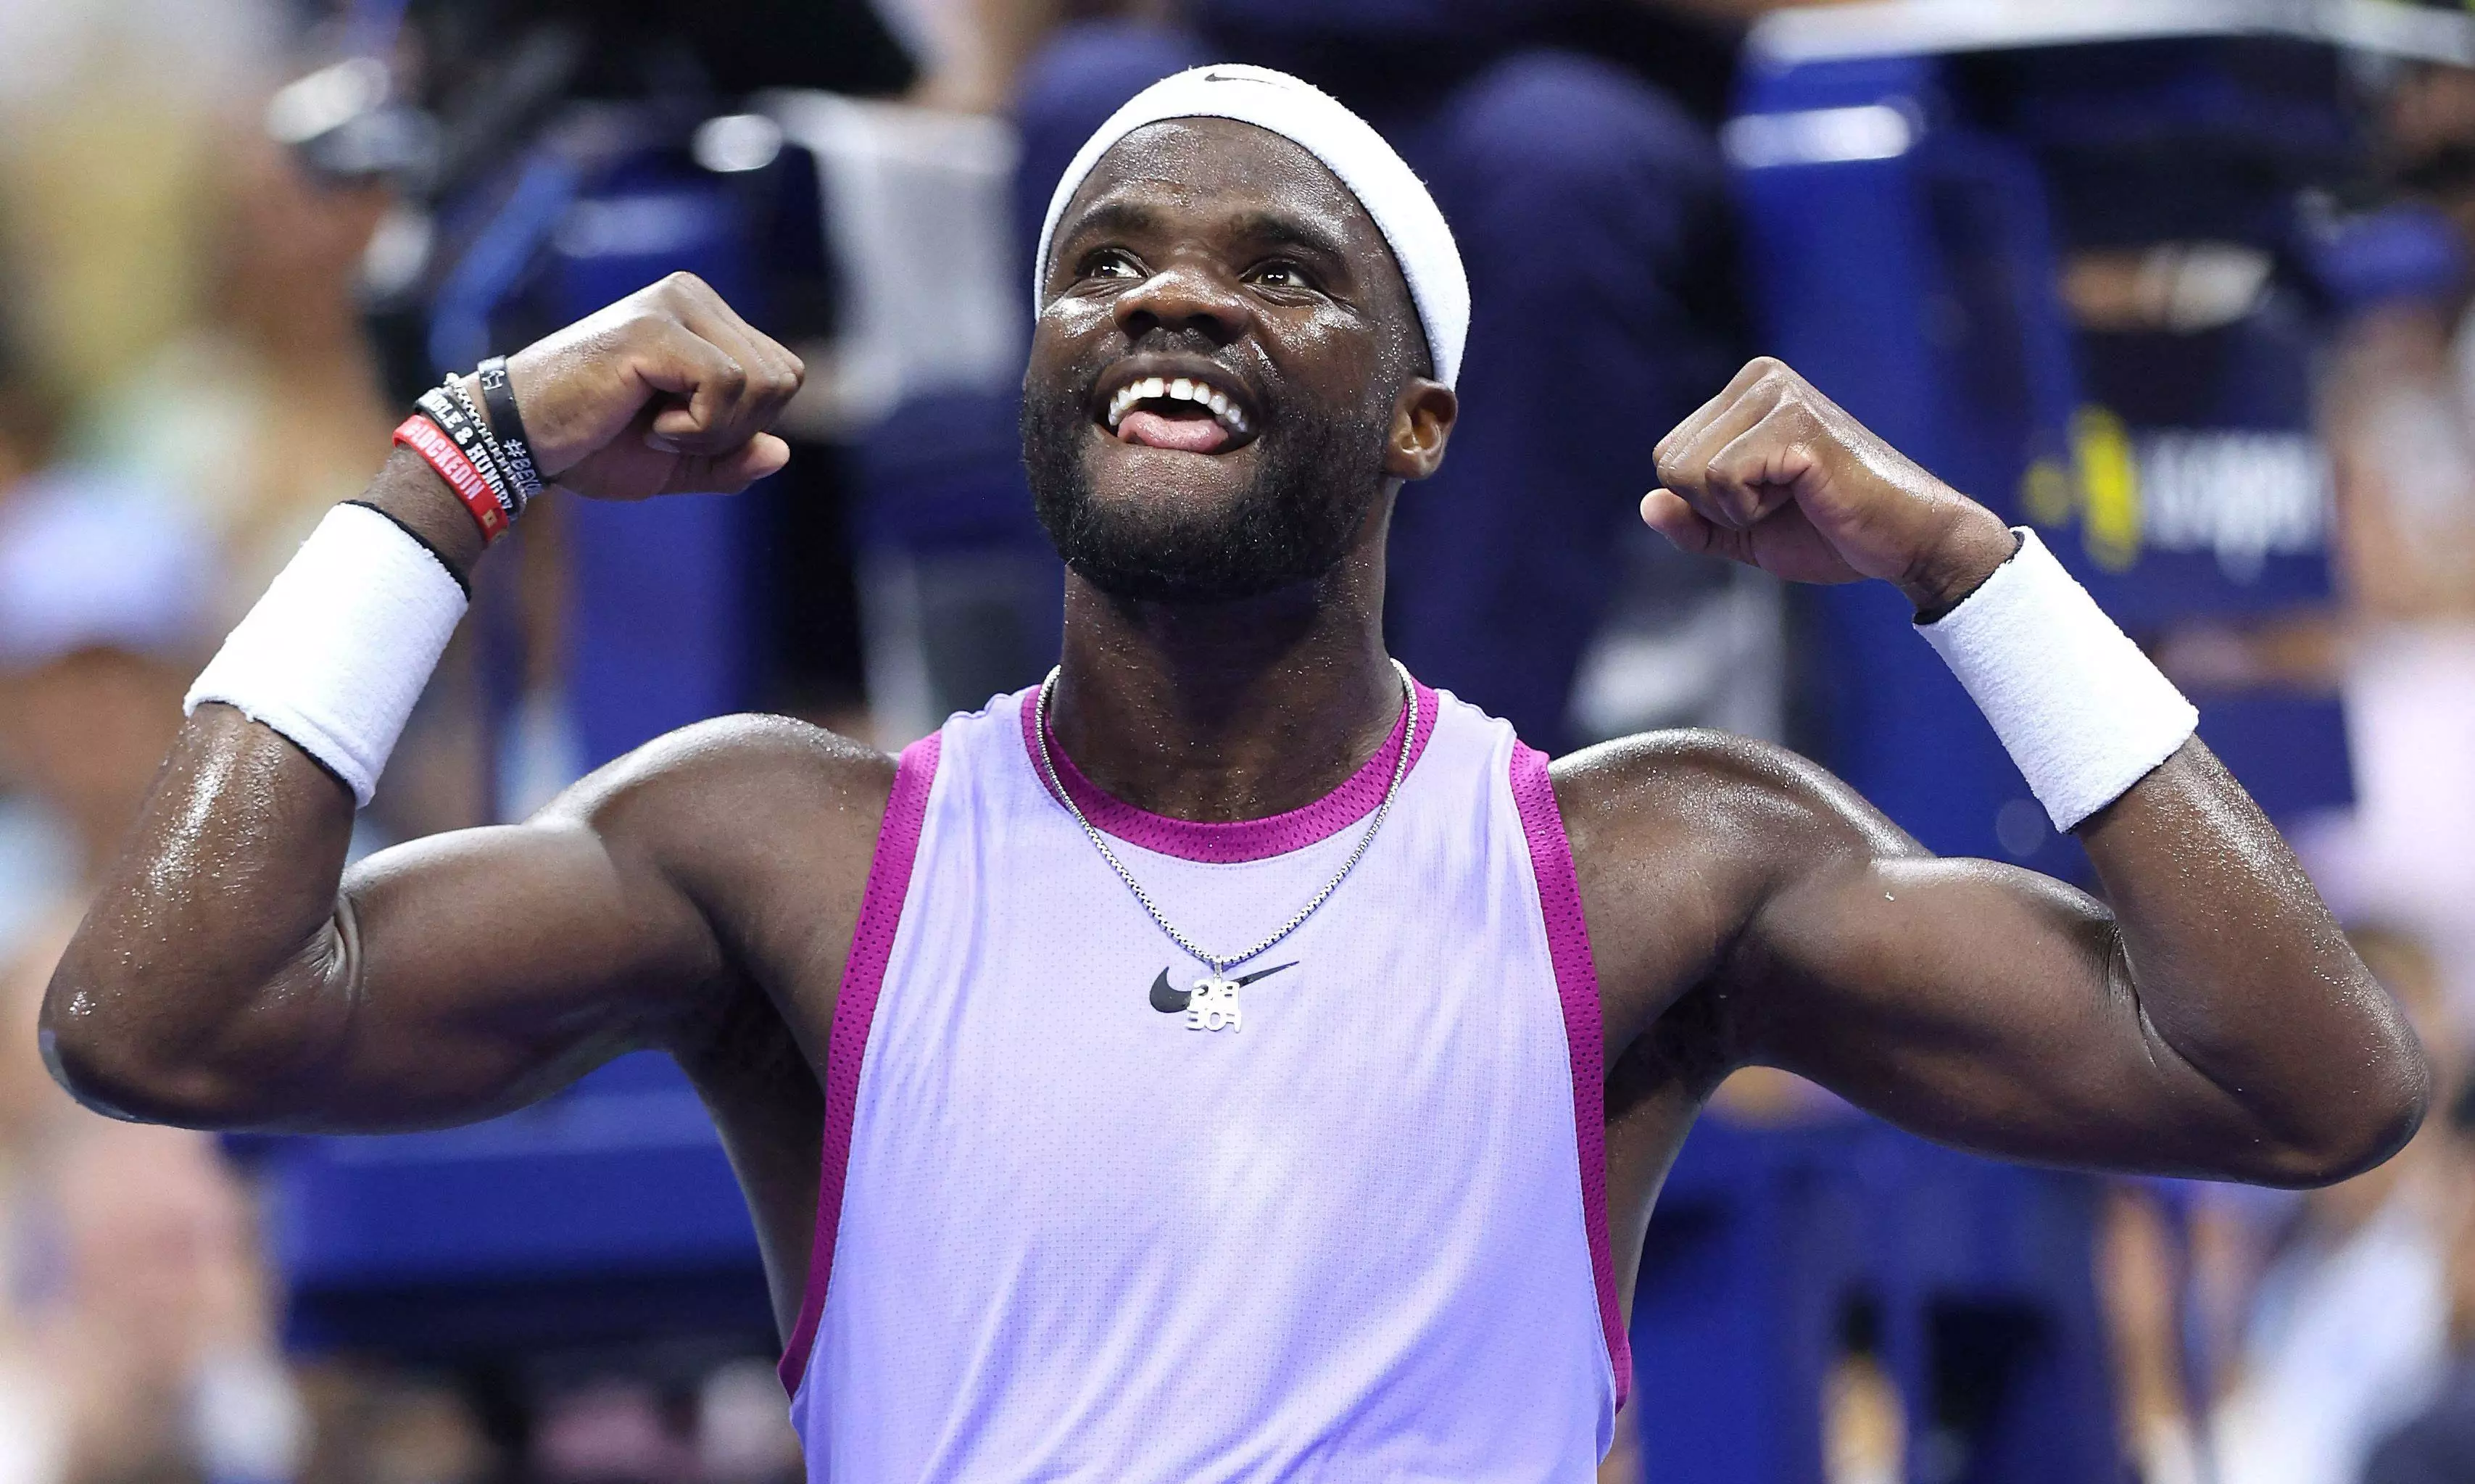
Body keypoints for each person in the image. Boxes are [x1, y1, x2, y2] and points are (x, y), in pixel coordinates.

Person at [41, 67, 2426, 1480]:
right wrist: (462, 462)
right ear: (1041, 379)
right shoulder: (777, 844)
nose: (1167, 294)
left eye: (1270, 266)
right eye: (1104, 266)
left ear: (1417, 417)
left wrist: (1969, 564)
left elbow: (2305, 1081)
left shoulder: (1652, 857)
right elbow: (160, 1014)